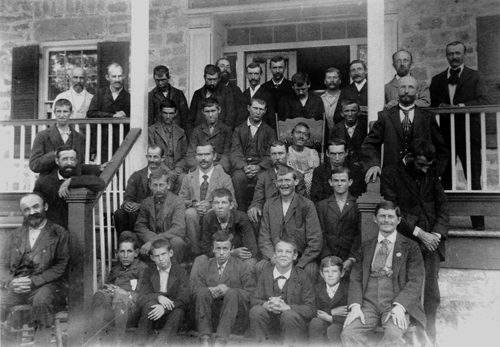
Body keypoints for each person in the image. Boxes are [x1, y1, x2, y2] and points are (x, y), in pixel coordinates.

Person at [380, 138, 449, 344]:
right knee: (406, 289)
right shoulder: (391, 174)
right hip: (406, 240)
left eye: (429, 166)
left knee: (431, 293)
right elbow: (393, 212)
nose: (426, 170)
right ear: (409, 158)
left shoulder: (431, 173)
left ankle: (430, 335)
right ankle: (409, 336)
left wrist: (436, 235)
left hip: (432, 243)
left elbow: (443, 207)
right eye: (421, 165)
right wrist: (420, 233)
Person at [341, 201, 426, 347]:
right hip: (368, 305)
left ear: (398, 220)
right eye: (382, 216)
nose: (386, 220)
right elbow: (356, 278)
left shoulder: (411, 247)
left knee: (393, 335)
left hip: (395, 304)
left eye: (390, 216)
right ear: (375, 219)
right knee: (348, 333)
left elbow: (415, 281)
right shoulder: (366, 246)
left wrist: (400, 306)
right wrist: (355, 306)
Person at [430, 41, 490, 230]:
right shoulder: (438, 79)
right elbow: (434, 104)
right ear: (446, 56)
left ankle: (478, 223)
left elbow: (484, 100)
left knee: (474, 177)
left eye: (458, 53)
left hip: (469, 135)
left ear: (464, 54)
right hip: (445, 137)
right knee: (445, 179)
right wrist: (442, 107)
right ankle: (444, 222)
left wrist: (461, 108)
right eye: (450, 54)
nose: (454, 57)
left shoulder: (475, 76)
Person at [0, 193, 69, 346]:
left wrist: (33, 281)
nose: (31, 212)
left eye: (35, 207)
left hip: (47, 287)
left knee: (42, 300)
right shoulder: (14, 235)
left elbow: (61, 266)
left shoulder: (59, 233)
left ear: (45, 207)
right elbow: (2, 265)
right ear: (23, 213)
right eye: (26, 209)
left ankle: (41, 343)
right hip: (17, 287)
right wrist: (11, 282)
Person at [363, 75, 449, 184]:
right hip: (392, 180)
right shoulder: (385, 117)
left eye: (411, 87)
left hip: (421, 180)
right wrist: (374, 164)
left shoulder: (427, 118)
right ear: (397, 91)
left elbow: (441, 149)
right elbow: (369, 144)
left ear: (417, 92)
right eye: (403, 87)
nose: (407, 91)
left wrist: (433, 172)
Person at [257, 165, 322, 282]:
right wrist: (273, 258)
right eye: (280, 181)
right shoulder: (269, 204)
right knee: (260, 267)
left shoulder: (307, 205)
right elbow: (264, 236)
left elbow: (315, 241)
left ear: (296, 181)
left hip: (300, 258)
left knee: (310, 270)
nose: (284, 184)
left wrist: (299, 264)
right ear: (276, 183)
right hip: (276, 257)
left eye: (287, 180)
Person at [193, 231, 256, 347]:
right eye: (218, 249)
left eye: (225, 249)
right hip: (212, 316)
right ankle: (205, 337)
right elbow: (195, 291)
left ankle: (221, 340)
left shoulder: (242, 267)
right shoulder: (205, 266)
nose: (221, 253)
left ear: (232, 249)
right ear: (213, 249)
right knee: (202, 292)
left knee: (232, 292)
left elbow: (251, 294)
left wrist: (229, 290)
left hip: (235, 317)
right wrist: (209, 289)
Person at [249, 240, 316, 345]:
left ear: (294, 256)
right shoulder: (266, 273)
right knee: (256, 311)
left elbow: (311, 309)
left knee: (288, 315)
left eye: (288, 252)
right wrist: (266, 304)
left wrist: (288, 308)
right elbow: (254, 300)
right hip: (270, 325)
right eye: (280, 251)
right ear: (274, 255)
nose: (283, 255)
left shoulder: (303, 276)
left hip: (293, 327)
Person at [90, 235, 148, 346]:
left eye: (129, 251)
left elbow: (143, 294)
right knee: (99, 295)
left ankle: (118, 343)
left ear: (136, 253)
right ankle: (95, 340)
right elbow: (107, 286)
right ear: (117, 253)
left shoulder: (143, 269)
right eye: (122, 252)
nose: (125, 256)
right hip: (114, 308)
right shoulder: (116, 269)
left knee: (120, 300)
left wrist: (124, 294)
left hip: (132, 310)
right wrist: (110, 290)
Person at [179, 143, 235, 256]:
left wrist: (212, 205)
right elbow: (180, 201)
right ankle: (196, 252)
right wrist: (194, 204)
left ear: (214, 156)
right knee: (190, 213)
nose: (203, 158)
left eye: (207, 154)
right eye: (200, 155)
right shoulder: (188, 178)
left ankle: (213, 251)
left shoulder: (224, 178)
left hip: (214, 215)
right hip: (194, 215)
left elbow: (234, 203)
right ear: (195, 157)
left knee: (213, 213)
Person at [33, 145, 105, 230]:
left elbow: (100, 183)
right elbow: (34, 207)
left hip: (77, 230)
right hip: (52, 232)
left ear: (77, 161)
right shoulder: (43, 182)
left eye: (72, 159)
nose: (69, 163)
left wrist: (71, 181)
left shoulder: (81, 177)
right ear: (57, 161)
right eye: (65, 159)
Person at [134, 238, 189, 346]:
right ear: (152, 257)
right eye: (157, 256)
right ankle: (140, 343)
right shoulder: (148, 272)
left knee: (178, 312)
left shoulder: (181, 272)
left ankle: (160, 344)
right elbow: (141, 297)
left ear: (171, 253)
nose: (161, 259)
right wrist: (159, 297)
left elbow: (184, 299)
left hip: (173, 314)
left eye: (164, 254)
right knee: (149, 305)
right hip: (153, 314)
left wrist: (164, 308)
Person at [113, 145, 173, 236]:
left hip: (158, 212)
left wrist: (140, 205)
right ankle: (125, 245)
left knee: (135, 214)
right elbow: (128, 197)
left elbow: (168, 199)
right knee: (119, 214)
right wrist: (128, 204)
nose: (152, 160)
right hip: (137, 212)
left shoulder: (168, 176)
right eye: (149, 156)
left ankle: (137, 243)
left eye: (155, 157)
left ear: (163, 158)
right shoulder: (137, 175)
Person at [230, 98, 277, 212]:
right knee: (237, 177)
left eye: (261, 109)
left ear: (265, 111)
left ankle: (259, 210)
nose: (257, 112)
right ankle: (241, 211)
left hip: (261, 168)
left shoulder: (269, 131)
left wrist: (259, 166)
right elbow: (235, 152)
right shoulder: (238, 130)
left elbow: (270, 154)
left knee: (264, 178)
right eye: (255, 108)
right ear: (248, 108)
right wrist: (244, 166)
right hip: (243, 168)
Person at [134, 169, 187, 264]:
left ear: (168, 185)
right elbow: (140, 226)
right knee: (128, 236)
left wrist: (152, 241)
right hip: (149, 242)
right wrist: (150, 239)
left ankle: (172, 271)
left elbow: (178, 228)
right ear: (150, 186)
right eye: (155, 185)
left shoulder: (177, 202)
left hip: (168, 242)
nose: (158, 189)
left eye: (161, 185)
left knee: (177, 242)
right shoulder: (146, 202)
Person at [247, 140, 306, 226]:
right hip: (270, 215)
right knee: (254, 216)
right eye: (274, 154)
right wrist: (255, 207)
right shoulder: (263, 177)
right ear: (270, 156)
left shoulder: (298, 176)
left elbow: (302, 200)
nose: (277, 157)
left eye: (280, 153)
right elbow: (257, 199)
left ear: (288, 155)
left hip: (291, 213)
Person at [316, 167, 360, 274]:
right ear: (330, 182)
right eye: (336, 180)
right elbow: (319, 233)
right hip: (327, 259)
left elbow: (359, 235)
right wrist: (327, 257)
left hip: (350, 260)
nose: (339, 184)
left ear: (350, 182)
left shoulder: (358, 205)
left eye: (343, 180)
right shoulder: (322, 206)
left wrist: (351, 258)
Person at [199, 188, 258, 267]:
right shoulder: (208, 218)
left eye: (224, 202)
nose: (220, 207)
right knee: (201, 259)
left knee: (250, 263)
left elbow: (252, 249)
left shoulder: (241, 218)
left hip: (238, 259)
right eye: (216, 203)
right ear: (212, 206)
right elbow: (205, 248)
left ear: (231, 205)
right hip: (218, 258)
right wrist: (231, 252)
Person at [30, 98, 86, 177]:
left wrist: (97, 168)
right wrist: (55, 154)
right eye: (59, 111)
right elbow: (34, 165)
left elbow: (80, 165)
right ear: (54, 113)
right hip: (48, 184)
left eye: (65, 111)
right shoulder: (42, 135)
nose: (62, 115)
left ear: (71, 113)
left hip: (71, 184)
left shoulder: (78, 137)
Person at [87, 63, 130, 161]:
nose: (117, 79)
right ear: (107, 77)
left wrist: (126, 115)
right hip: (102, 141)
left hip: (121, 141)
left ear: (123, 76)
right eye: (114, 76)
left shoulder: (128, 97)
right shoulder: (100, 94)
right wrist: (112, 116)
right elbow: (91, 113)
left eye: (119, 76)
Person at [148, 99, 188, 194]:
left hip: (176, 169)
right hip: (159, 168)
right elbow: (152, 155)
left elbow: (185, 154)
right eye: (165, 113)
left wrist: (178, 168)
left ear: (176, 113)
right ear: (160, 112)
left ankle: (175, 205)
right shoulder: (152, 130)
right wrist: (167, 171)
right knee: (161, 180)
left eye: (171, 113)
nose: (168, 116)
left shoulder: (181, 131)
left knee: (184, 178)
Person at [309, 256, 349, 346]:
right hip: (323, 321)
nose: (330, 275)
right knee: (315, 323)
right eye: (326, 271)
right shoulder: (317, 288)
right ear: (321, 274)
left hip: (341, 323)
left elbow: (349, 313)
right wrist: (332, 312)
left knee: (334, 329)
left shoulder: (348, 288)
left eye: (334, 271)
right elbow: (313, 309)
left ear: (342, 273)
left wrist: (331, 318)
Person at [186, 98, 232, 173]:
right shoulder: (197, 131)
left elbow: (227, 155)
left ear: (219, 110)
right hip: (200, 167)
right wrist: (200, 168)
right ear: (203, 112)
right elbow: (190, 155)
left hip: (219, 168)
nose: (210, 115)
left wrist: (218, 169)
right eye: (207, 111)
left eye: (213, 111)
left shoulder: (226, 130)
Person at [188, 64, 236, 134]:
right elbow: (190, 120)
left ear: (219, 78)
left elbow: (230, 118)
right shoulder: (197, 94)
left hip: (219, 136)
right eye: (209, 79)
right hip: (200, 137)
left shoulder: (227, 92)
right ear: (204, 78)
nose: (212, 82)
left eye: (214, 79)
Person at [330, 99, 367, 172]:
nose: (350, 114)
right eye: (346, 111)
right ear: (342, 113)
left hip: (362, 167)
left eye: (353, 110)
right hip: (342, 167)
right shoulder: (336, 129)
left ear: (359, 112)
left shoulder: (365, 127)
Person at [286, 122, 320, 197]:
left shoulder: (313, 153)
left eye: (305, 134)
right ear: (292, 135)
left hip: (311, 192)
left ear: (308, 138)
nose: (301, 136)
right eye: (298, 133)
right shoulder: (286, 153)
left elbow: (317, 174)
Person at [242, 62, 276, 128]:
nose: (253, 77)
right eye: (250, 74)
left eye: (256, 74)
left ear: (261, 75)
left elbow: (271, 121)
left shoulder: (268, 95)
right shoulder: (243, 95)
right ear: (246, 75)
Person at [216, 58, 248, 129]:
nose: (225, 69)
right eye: (222, 66)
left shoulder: (236, 90)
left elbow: (242, 115)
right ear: (216, 70)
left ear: (230, 70)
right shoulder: (212, 89)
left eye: (227, 67)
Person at [334, 60, 368, 124]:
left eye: (359, 69)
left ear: (366, 71)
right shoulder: (345, 91)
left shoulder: (373, 89)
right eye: (353, 70)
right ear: (350, 74)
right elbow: (337, 116)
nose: (356, 73)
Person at [321, 67, 342, 131]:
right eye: (329, 77)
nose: (332, 80)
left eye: (335, 77)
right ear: (325, 81)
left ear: (340, 81)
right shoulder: (320, 99)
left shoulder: (344, 97)